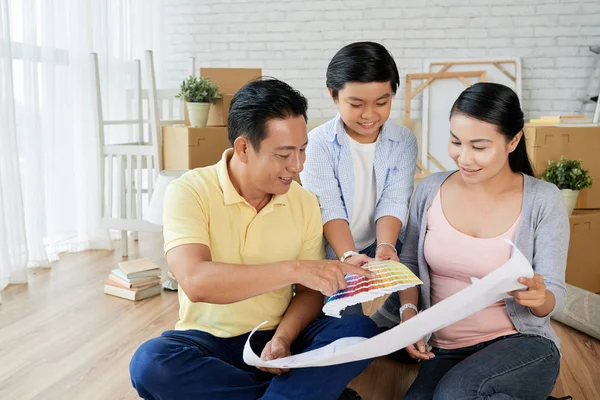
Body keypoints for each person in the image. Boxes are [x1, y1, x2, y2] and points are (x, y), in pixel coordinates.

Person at [129, 78, 379, 400]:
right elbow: (195, 281)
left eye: (303, 150)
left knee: (358, 332)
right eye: (284, 154)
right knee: (151, 363)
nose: (298, 165)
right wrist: (295, 268)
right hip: (209, 341)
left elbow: (307, 293)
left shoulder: (303, 202)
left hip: (279, 336)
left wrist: (283, 339)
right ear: (244, 148)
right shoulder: (189, 191)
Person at [374, 82, 569, 400]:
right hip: (446, 350)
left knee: (454, 395)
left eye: (479, 147)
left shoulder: (543, 199)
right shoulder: (430, 190)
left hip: (521, 344)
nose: (463, 158)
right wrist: (409, 314)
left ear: (513, 140)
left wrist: (539, 297)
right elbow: (408, 261)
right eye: (455, 142)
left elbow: (555, 293)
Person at [300, 42, 417, 315]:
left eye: (381, 102)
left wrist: (387, 244)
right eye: (356, 104)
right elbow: (328, 205)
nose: (369, 115)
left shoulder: (404, 141)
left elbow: (395, 198)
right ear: (333, 95)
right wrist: (349, 256)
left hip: (382, 243)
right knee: (344, 318)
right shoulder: (317, 144)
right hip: (334, 247)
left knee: (415, 287)